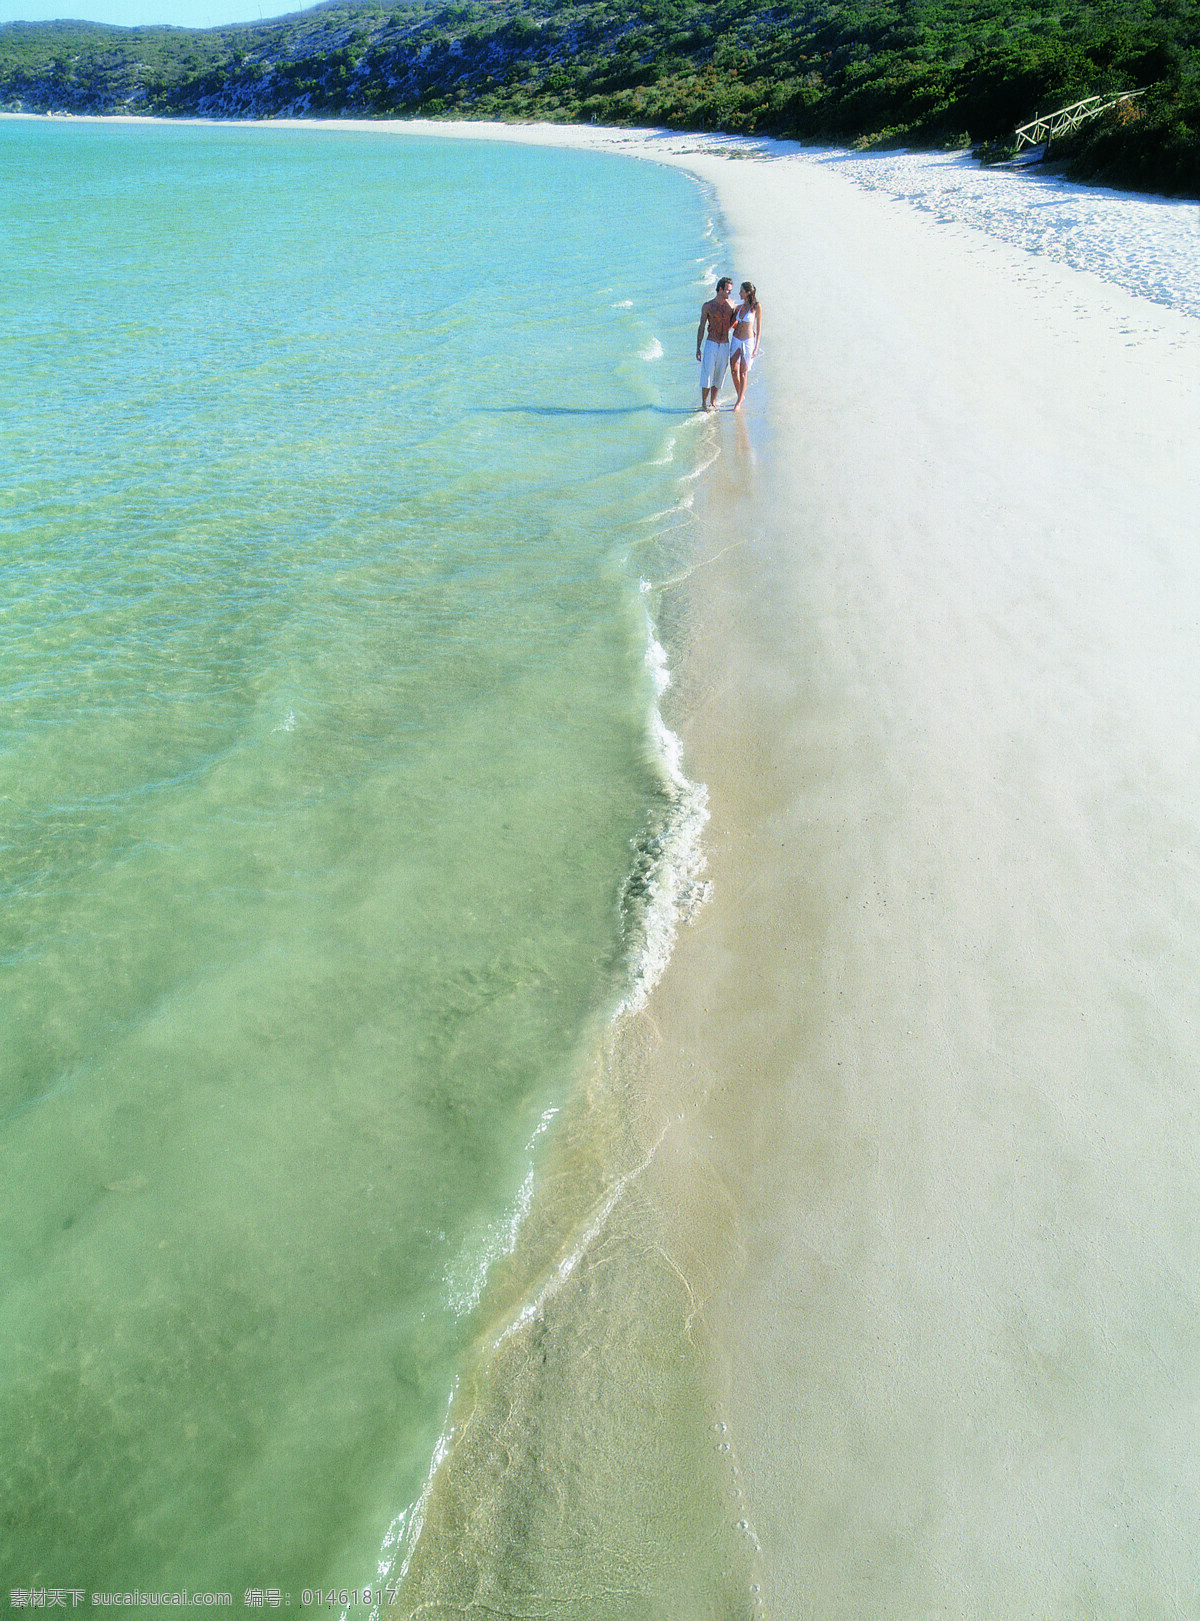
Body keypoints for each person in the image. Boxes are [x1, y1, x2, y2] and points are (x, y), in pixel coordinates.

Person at [695, 277, 737, 411]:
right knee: (707, 373)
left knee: (719, 375)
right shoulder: (708, 306)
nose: (729, 293)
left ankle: (713, 401)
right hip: (711, 343)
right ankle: (703, 403)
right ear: (720, 289)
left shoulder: (731, 305)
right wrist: (698, 347)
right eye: (727, 290)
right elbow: (701, 327)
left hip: (725, 343)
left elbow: (736, 322)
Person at [729, 281, 762, 411]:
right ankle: (740, 394)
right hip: (736, 339)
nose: (739, 293)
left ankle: (738, 402)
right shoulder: (739, 307)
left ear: (748, 292)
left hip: (748, 341)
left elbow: (759, 328)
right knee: (733, 368)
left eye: (742, 291)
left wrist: (756, 347)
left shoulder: (756, 306)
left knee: (743, 372)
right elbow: (732, 323)